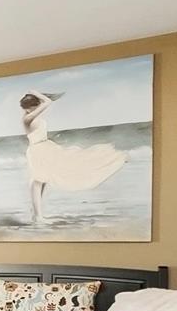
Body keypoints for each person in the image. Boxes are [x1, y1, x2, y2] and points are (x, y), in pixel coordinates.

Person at [20, 90, 126, 223]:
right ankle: (37, 216)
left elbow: (43, 104)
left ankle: (37, 214)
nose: (29, 111)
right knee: (38, 180)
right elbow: (48, 102)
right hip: (37, 149)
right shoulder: (27, 118)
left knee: (44, 179)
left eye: (30, 108)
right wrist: (35, 93)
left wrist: (35, 97)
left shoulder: (33, 117)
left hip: (45, 147)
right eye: (26, 109)